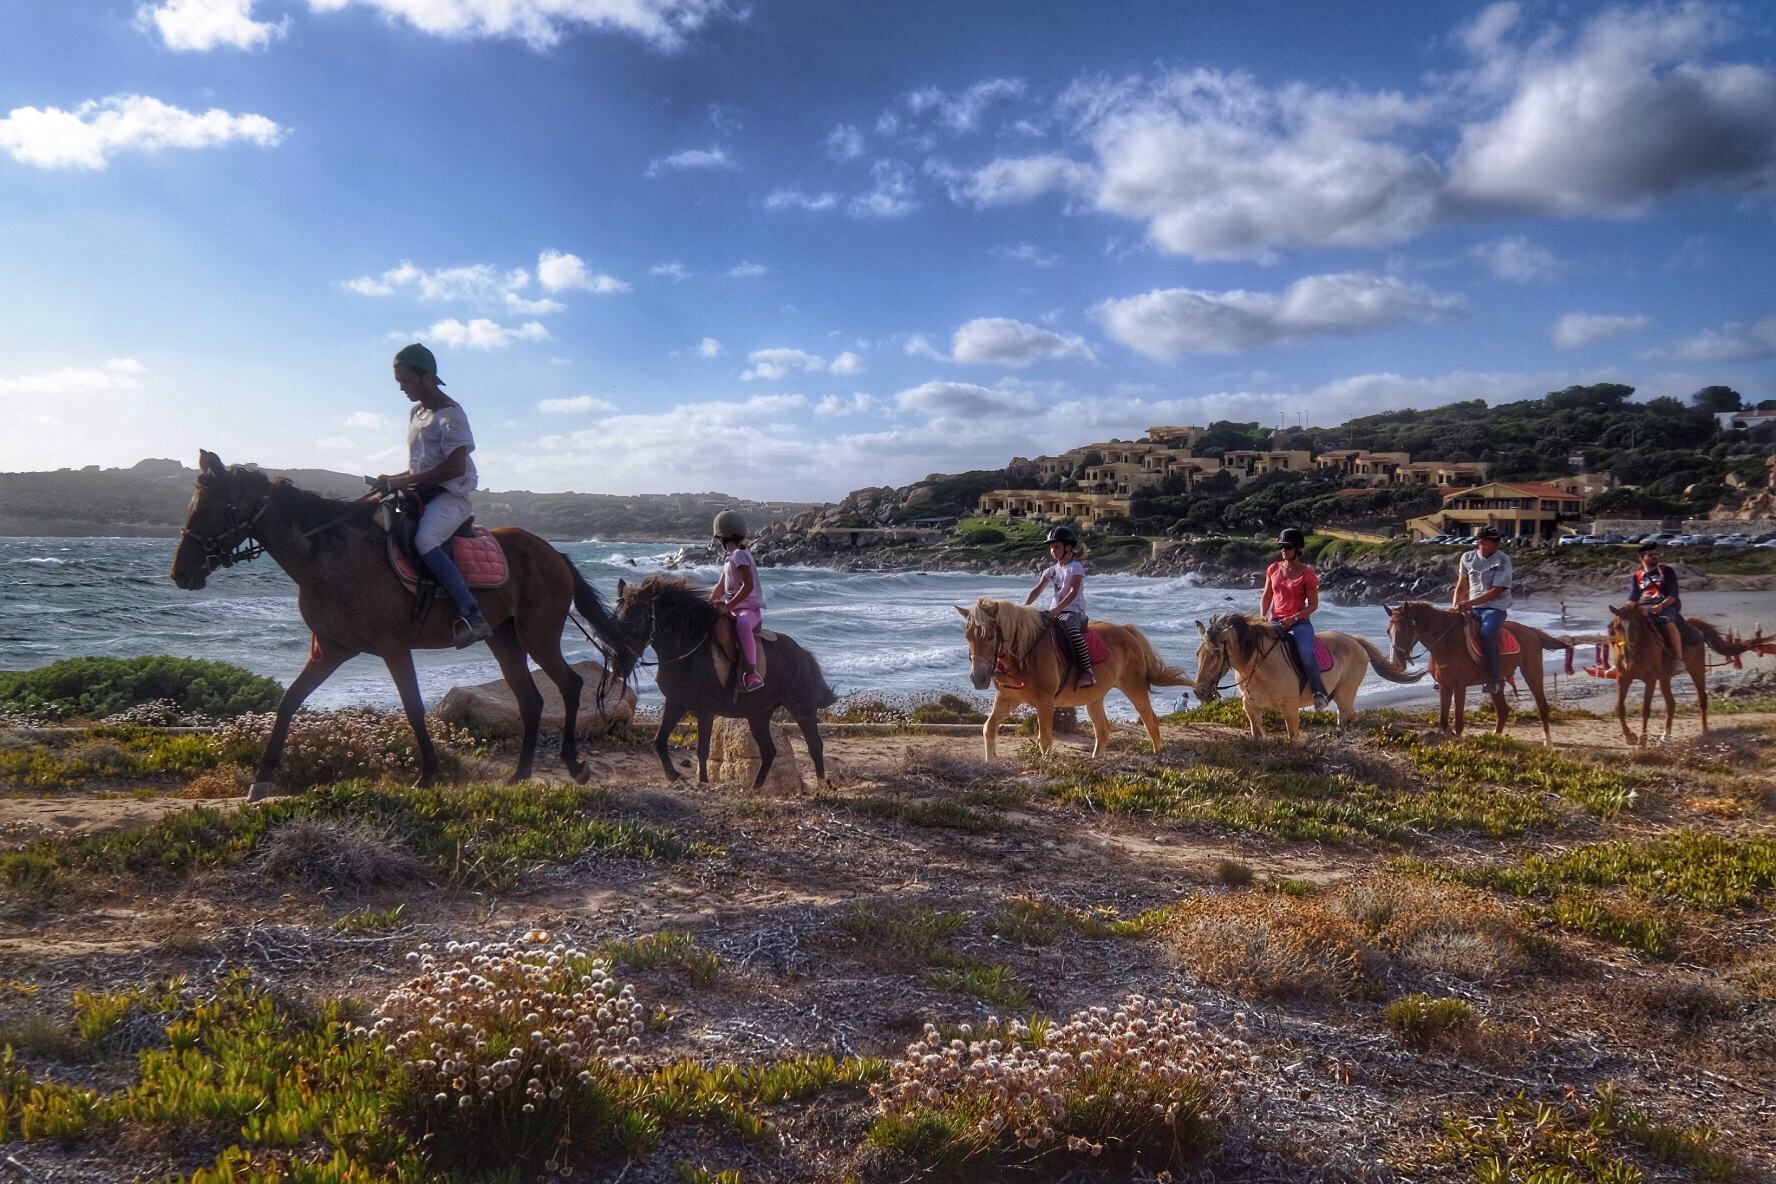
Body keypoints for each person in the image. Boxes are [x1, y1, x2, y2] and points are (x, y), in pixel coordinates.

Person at [377, 343, 491, 648]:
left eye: (405, 380)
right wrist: (393, 480)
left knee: (425, 541)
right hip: (421, 495)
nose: (401, 387)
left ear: (426, 377)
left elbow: (454, 467)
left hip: (450, 498)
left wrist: (407, 481)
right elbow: (419, 466)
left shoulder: (451, 415)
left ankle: (473, 614)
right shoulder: (417, 412)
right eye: (398, 381)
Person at [1261, 527, 1331, 711]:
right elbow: (1267, 596)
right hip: (1275, 620)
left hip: (1300, 622)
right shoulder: (1273, 569)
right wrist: (1263, 615)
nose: (1284, 550)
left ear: (1297, 548)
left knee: (1305, 652)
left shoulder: (1307, 574)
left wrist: (1293, 618)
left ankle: (1319, 692)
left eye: (1288, 547)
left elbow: (1313, 605)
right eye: (1281, 547)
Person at [1025, 525, 1093, 688]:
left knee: (1071, 631)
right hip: (1053, 611)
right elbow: (1037, 590)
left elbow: (1073, 591)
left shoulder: (1076, 567)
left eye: (1056, 546)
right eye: (1051, 547)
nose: (1053, 550)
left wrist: (1058, 609)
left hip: (1073, 611)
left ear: (1068, 547)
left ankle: (1087, 670)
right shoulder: (1051, 570)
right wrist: (1024, 608)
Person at [1452, 526, 1513, 693]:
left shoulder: (1503, 559)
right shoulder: (1467, 558)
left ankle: (1494, 679)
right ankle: (1444, 674)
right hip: (1472, 607)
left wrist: (1469, 604)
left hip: (1494, 608)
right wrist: (1456, 607)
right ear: (1482, 542)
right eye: (1494, 540)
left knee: (1487, 632)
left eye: (1498, 540)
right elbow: (1461, 586)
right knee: (1448, 630)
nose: (1498, 543)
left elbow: (1497, 591)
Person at [710, 509, 766, 692]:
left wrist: (728, 606)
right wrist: (712, 600)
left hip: (748, 610)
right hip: (733, 608)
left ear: (719, 537)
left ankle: (752, 673)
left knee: (742, 625)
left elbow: (748, 586)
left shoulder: (740, 556)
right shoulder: (729, 557)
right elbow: (721, 585)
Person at [1627, 541, 1686, 673]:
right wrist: (1626, 609)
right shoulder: (1637, 576)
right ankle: (1624, 657)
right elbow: (1633, 597)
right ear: (1641, 559)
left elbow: (1673, 595)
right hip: (1643, 607)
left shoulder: (1667, 571)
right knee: (1613, 625)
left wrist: (1661, 606)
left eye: (1655, 554)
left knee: (1669, 624)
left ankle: (1679, 659)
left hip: (1665, 606)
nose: (1654, 556)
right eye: (1650, 555)